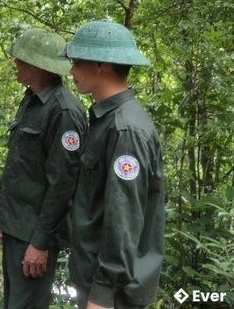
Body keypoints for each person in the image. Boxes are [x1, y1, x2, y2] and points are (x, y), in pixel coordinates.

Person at [60, 21, 164, 309]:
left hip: (114, 295)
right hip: (98, 282)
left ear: (100, 65)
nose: (71, 71)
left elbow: (124, 220)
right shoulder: (107, 120)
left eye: (77, 62)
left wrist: (102, 294)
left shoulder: (125, 129)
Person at [0, 29, 87, 308]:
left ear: (37, 66)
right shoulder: (31, 100)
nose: (16, 64)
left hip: (34, 234)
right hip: (15, 226)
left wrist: (41, 243)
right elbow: (21, 166)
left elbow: (63, 184)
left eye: (21, 59)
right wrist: (3, 216)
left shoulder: (64, 111)